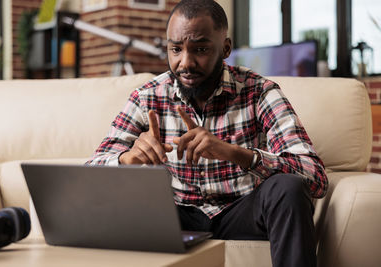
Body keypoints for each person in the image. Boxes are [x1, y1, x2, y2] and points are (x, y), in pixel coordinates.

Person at [86, 0, 328, 266]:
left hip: (243, 210)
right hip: (176, 215)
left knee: (288, 187)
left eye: (200, 49)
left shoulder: (259, 92)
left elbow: (314, 177)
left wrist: (237, 154)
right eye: (176, 49)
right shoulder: (147, 97)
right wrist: (126, 159)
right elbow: (89, 173)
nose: (185, 63)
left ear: (225, 48)